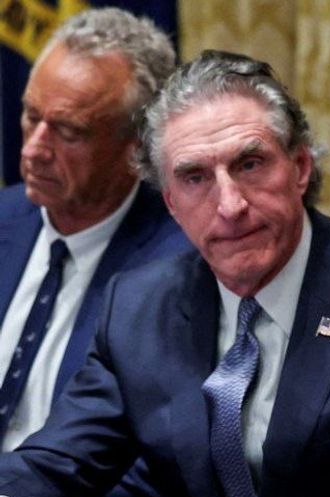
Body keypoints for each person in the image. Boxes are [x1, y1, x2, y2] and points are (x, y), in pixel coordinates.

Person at [0, 50, 330, 497]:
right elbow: (52, 469)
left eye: (250, 164)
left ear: (299, 168)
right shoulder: (140, 308)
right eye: (194, 177)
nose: (229, 204)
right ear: (170, 203)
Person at [0, 8, 188, 453]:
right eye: (30, 116)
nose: (33, 149)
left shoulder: (181, 269)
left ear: (136, 147)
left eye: (68, 132)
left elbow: (151, 467)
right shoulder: (4, 220)